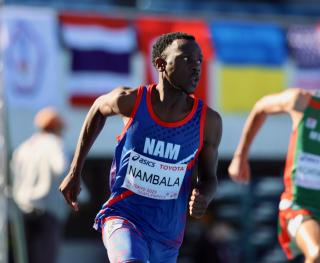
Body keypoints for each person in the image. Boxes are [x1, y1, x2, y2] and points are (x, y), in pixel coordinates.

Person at [59, 32, 222, 263]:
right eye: (186, 59)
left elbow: (209, 178)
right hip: (124, 218)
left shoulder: (208, 122)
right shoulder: (132, 101)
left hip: (167, 237)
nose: (196, 68)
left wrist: (204, 195)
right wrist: (75, 171)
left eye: (199, 61)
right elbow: (98, 107)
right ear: (161, 64)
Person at [228, 88, 320, 263]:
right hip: (299, 205)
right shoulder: (301, 101)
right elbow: (260, 107)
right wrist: (241, 156)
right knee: (316, 253)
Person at [11, 107, 69, 263]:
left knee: (23, 257)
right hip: (47, 210)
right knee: (45, 257)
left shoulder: (23, 148)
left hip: (22, 209)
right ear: (56, 127)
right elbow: (63, 170)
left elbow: (13, 177)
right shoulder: (56, 144)